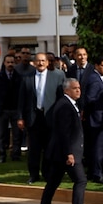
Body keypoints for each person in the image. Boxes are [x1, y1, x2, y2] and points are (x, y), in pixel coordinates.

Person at [37, 79, 98, 204]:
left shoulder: (68, 104)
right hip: (65, 153)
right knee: (81, 181)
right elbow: (63, 133)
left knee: (52, 184)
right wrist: (69, 153)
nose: (78, 91)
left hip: (60, 153)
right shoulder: (65, 106)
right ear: (66, 90)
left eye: (79, 88)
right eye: (75, 88)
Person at [18, 53, 65, 184]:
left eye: (43, 61)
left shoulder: (57, 76)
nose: (40, 63)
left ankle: (47, 173)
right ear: (34, 62)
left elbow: (61, 98)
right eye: (38, 61)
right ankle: (33, 175)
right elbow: (21, 99)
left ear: (47, 62)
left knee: (49, 148)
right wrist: (20, 117)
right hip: (34, 117)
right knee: (34, 149)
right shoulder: (27, 78)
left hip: (50, 117)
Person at [82, 57, 103, 184]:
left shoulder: (98, 78)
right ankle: (97, 174)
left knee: (93, 148)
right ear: (96, 66)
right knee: (98, 148)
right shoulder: (95, 79)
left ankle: (92, 172)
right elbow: (90, 99)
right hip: (96, 119)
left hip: (95, 119)